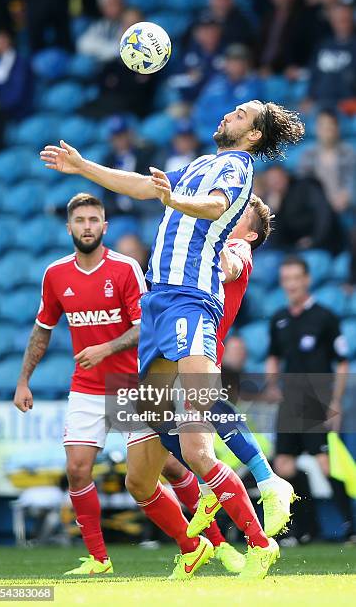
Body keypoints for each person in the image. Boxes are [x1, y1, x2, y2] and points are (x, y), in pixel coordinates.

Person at [40, 98, 305, 579]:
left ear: (253, 137)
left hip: (191, 298)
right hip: (157, 304)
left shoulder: (239, 168)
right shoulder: (201, 163)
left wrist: (176, 201)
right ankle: (202, 537)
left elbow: (214, 207)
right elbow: (146, 187)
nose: (227, 114)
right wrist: (82, 167)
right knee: (141, 471)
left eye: (241, 115)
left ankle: (262, 538)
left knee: (198, 438)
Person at [158, 197, 295, 572]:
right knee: (165, 424)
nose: (229, 216)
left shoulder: (236, 247)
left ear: (250, 232)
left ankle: (267, 481)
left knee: (208, 410)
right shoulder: (225, 242)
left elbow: (230, 266)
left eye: (239, 215)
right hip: (183, 339)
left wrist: (205, 233)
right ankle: (211, 489)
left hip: (201, 341)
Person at [13, 193, 147, 575]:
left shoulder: (125, 269)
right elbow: (42, 330)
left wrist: (106, 347)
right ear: (69, 226)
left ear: (104, 227)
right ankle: (99, 559)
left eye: (93, 220)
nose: (87, 226)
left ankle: (207, 543)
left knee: (165, 467)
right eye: (80, 220)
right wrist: (24, 380)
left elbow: (144, 327)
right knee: (76, 469)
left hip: (130, 383)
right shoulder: (56, 274)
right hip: (86, 386)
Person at [266, 255, 356, 543]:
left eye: (295, 278)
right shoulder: (278, 318)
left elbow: (341, 362)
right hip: (289, 402)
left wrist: (335, 401)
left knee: (325, 464)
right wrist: (272, 384)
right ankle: (306, 527)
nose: (290, 284)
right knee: (283, 466)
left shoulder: (324, 317)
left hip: (317, 401)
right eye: (286, 279)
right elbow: (273, 356)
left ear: (306, 280)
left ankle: (350, 525)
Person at [261, 164, 343, 254]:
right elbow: (275, 240)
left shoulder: (306, 187)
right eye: (271, 180)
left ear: (285, 175)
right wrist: (273, 211)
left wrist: (313, 240)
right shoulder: (271, 201)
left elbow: (323, 215)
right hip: (290, 249)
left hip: (323, 245)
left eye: (277, 177)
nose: (275, 182)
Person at [193, 45, 263, 144]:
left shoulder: (254, 84)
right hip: (208, 135)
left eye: (239, 61)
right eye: (231, 61)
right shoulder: (216, 82)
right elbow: (199, 109)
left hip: (235, 140)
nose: (234, 65)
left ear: (247, 64)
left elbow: (244, 117)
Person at [298, 109, 356, 214]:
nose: (327, 129)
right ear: (317, 129)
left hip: (345, 207)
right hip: (317, 209)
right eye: (323, 126)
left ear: (337, 128)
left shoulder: (349, 153)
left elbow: (351, 181)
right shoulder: (308, 155)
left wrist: (346, 196)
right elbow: (304, 185)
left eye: (330, 125)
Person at [307, 3, 356, 110]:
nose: (342, 24)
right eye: (338, 20)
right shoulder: (323, 45)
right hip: (320, 102)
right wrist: (309, 97)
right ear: (332, 22)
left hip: (347, 105)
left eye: (345, 20)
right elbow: (313, 74)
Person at [0, 28, 33, 120]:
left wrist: (2, 107)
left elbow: (19, 91)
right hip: (1, 111)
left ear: (9, 41)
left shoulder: (19, 62)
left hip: (20, 109)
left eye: (1, 41)